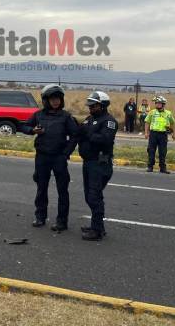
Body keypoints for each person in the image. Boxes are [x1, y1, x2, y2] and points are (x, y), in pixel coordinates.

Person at [22, 84, 78, 232]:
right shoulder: (38, 115)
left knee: (62, 190)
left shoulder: (66, 117)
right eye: (53, 99)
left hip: (59, 157)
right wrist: (32, 130)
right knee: (41, 188)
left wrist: (66, 153)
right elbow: (24, 126)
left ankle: (62, 221)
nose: (56, 102)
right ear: (46, 100)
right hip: (42, 157)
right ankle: (40, 217)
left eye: (58, 99)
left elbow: (75, 136)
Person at [78, 91, 118, 241]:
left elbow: (104, 139)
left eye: (93, 105)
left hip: (100, 164)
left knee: (94, 197)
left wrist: (87, 132)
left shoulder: (109, 121)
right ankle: (98, 226)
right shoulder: (90, 119)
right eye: (90, 105)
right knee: (89, 196)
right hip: (88, 163)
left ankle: (96, 231)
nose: (90, 108)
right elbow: (81, 132)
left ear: (102, 105)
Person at [145, 95, 175, 174]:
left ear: (163, 104)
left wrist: (173, 133)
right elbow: (147, 122)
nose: (157, 105)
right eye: (156, 103)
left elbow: (172, 123)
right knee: (151, 150)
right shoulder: (152, 112)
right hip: (153, 134)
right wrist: (146, 132)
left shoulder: (168, 113)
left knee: (163, 152)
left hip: (163, 135)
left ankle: (162, 168)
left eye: (159, 103)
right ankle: (150, 166)